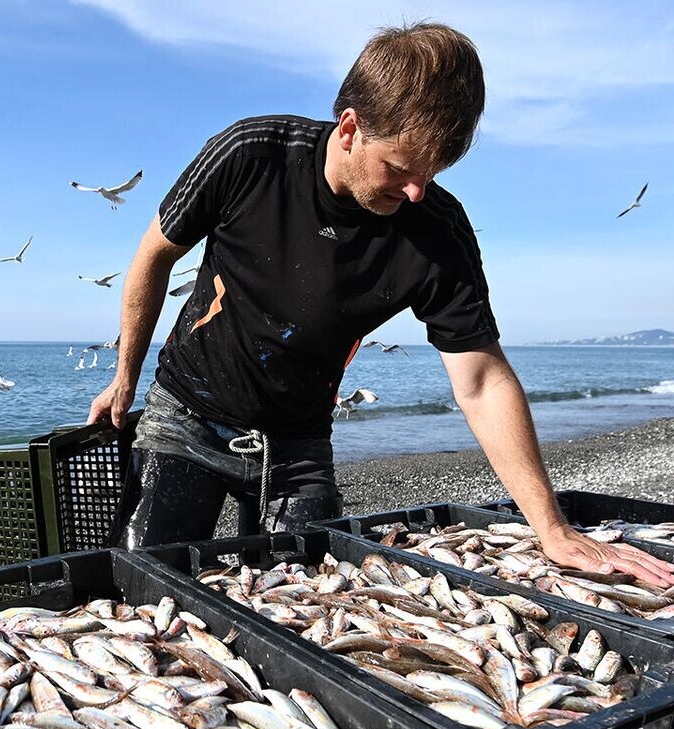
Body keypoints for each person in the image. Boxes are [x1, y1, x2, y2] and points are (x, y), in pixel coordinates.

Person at [89, 22, 674, 587]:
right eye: (400, 168)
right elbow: (153, 256)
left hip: (299, 442)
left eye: (431, 172)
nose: (416, 190)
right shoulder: (252, 154)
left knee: (305, 595)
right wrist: (124, 378)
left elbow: (482, 381)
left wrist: (552, 528)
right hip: (188, 413)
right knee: (144, 581)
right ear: (350, 128)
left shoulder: (437, 231)